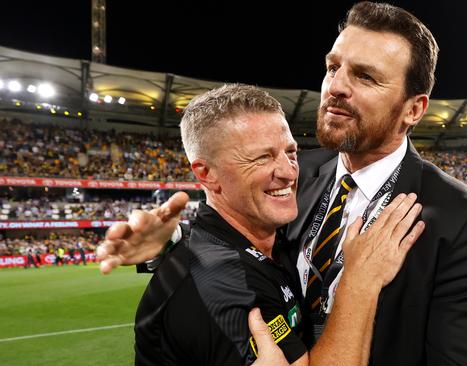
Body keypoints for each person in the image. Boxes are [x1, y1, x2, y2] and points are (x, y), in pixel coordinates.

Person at [98, 2, 467, 364]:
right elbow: (240, 235)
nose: (336, 86)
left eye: (365, 77)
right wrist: (175, 245)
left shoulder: (459, 217)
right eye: (333, 67)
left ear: (414, 108)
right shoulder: (296, 173)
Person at [132, 84, 424, 365]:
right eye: (262, 157)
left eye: (291, 152)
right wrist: (359, 282)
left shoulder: (261, 233)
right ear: (207, 174)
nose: (289, 172)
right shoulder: (225, 284)